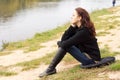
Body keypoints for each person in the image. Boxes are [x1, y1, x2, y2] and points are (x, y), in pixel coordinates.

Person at [39, 7, 101, 78]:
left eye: (73, 15)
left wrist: (60, 43)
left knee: (66, 46)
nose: (71, 17)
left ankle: (50, 69)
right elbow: (64, 39)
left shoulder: (84, 32)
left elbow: (65, 44)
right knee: (65, 45)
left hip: (92, 61)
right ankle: (51, 69)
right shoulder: (78, 28)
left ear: (79, 18)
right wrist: (72, 26)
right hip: (87, 57)